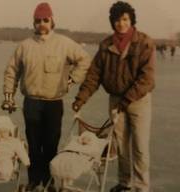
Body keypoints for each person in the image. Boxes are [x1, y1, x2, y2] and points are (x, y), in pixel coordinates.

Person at [2, 2, 91, 191]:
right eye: (38, 20)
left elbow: (85, 60)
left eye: (45, 20)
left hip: (53, 103)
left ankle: (49, 181)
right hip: (32, 102)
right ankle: (34, 180)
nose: (41, 23)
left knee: (51, 144)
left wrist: (71, 79)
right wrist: (8, 95)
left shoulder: (64, 43)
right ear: (33, 23)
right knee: (33, 143)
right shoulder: (25, 46)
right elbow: (11, 70)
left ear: (52, 21)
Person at [72, 1, 155, 192]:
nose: (121, 24)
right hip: (116, 101)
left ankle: (142, 187)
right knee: (121, 146)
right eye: (117, 20)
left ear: (131, 20)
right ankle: (125, 183)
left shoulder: (144, 42)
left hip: (138, 102)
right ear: (112, 22)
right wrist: (80, 99)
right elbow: (94, 75)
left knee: (140, 147)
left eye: (125, 19)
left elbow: (147, 78)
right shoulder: (106, 45)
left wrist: (127, 99)